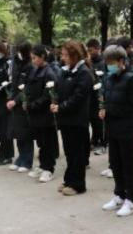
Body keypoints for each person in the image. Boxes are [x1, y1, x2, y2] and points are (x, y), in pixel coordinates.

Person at [100, 43, 133, 216]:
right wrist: (104, 109)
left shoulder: (131, 79)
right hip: (113, 128)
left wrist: (110, 110)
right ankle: (119, 194)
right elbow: (108, 99)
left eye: (111, 62)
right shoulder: (110, 78)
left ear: (121, 61)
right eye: (107, 62)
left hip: (128, 129)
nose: (109, 66)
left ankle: (131, 199)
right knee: (116, 164)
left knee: (129, 165)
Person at [52, 40, 92, 197]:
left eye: (65, 55)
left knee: (77, 153)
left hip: (77, 120)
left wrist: (61, 106)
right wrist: (55, 102)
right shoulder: (66, 71)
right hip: (66, 119)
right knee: (69, 152)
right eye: (62, 55)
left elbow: (79, 97)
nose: (62, 58)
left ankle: (78, 184)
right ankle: (69, 180)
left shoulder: (84, 73)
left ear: (74, 56)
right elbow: (59, 90)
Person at [24, 43, 59, 183]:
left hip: (45, 114)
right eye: (31, 58)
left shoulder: (49, 73)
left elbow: (48, 96)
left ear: (43, 57)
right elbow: (29, 88)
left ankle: (49, 169)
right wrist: (25, 100)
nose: (33, 61)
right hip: (35, 114)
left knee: (47, 142)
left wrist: (33, 105)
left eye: (35, 58)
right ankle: (42, 165)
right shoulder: (35, 70)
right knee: (40, 142)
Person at [7, 42, 35, 172]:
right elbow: (14, 83)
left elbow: (28, 87)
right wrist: (10, 98)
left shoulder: (31, 66)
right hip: (15, 102)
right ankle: (20, 158)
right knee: (17, 132)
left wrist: (16, 100)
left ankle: (27, 161)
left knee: (26, 133)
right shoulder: (17, 63)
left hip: (24, 103)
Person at [86, 39, 105, 155]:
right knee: (92, 120)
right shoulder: (89, 62)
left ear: (98, 49)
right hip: (91, 96)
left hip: (99, 95)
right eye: (88, 50)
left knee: (99, 122)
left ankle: (102, 143)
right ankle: (94, 139)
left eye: (91, 50)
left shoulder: (103, 63)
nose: (90, 53)